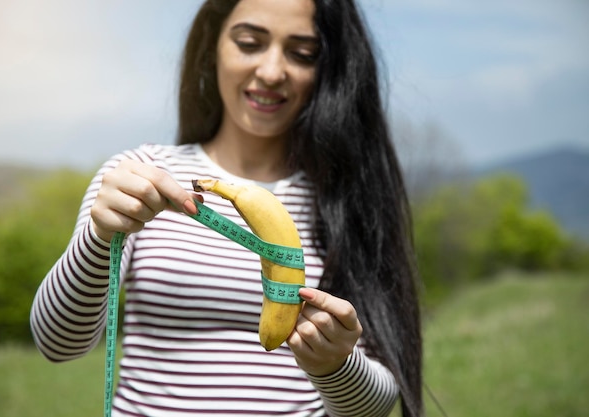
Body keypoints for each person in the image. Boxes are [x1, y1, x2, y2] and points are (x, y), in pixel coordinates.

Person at [30, 0, 423, 416]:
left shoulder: (347, 200)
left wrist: (336, 366)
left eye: (302, 53)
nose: (272, 72)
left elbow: (376, 407)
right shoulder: (139, 176)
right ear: (212, 46)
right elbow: (58, 344)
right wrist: (98, 239)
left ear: (328, 69)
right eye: (250, 43)